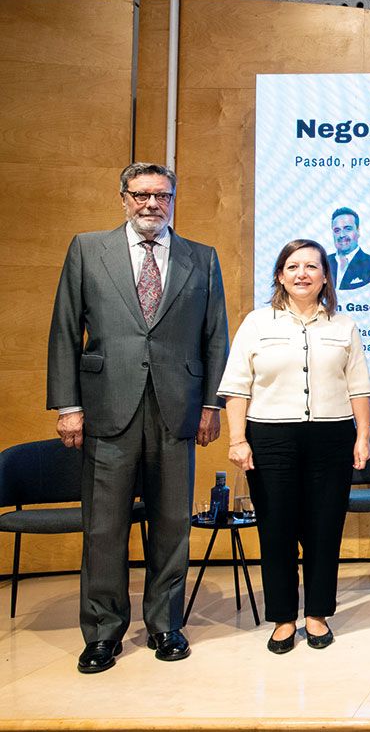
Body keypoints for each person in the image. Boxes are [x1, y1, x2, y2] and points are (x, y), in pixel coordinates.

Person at [47, 162, 229, 673]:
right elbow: (64, 329)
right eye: (142, 195)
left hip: (179, 409)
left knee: (172, 523)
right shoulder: (87, 250)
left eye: (162, 196)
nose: (152, 204)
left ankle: (165, 625)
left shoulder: (202, 257)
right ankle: (102, 632)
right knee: (104, 527)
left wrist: (213, 405)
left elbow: (216, 337)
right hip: (106, 407)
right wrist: (68, 406)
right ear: (123, 198)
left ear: (173, 199)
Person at [218, 239, 370, 653]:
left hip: (332, 437)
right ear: (280, 276)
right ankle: (283, 618)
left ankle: (317, 614)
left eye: (311, 266)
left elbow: (359, 388)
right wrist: (237, 440)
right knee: (277, 530)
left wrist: (363, 437)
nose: (302, 273)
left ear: (325, 276)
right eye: (293, 266)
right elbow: (236, 387)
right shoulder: (256, 323)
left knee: (325, 530)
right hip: (272, 438)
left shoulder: (344, 327)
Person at [329, 206, 370, 291]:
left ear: (358, 231)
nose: (342, 235)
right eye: (337, 230)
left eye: (348, 229)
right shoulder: (321, 263)